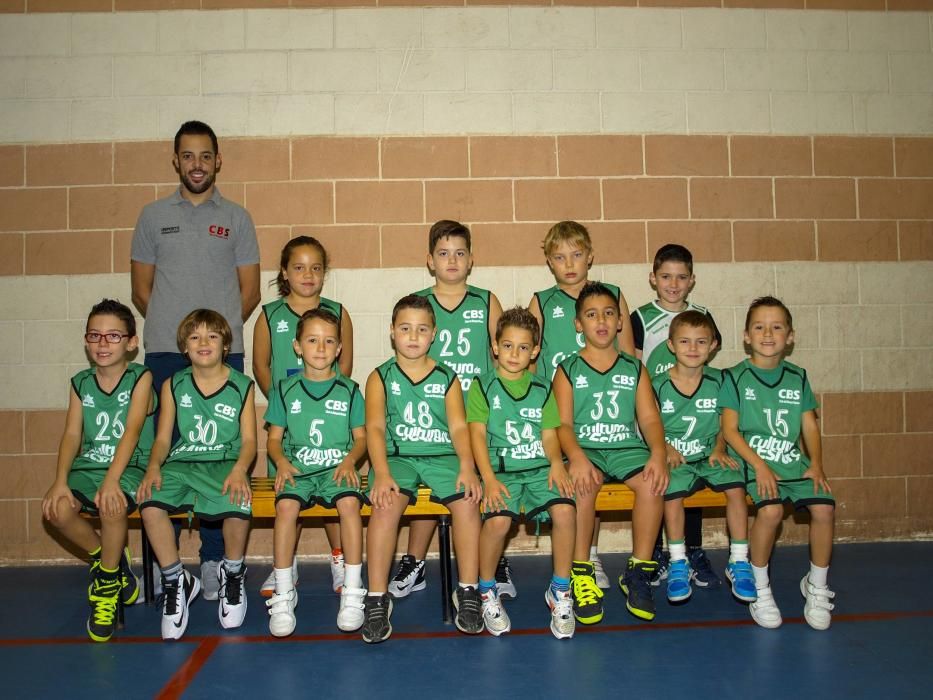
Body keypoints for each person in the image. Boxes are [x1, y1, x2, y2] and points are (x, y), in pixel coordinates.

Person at [131, 120, 260, 599]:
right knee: (165, 451)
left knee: (221, 455)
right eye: (188, 156)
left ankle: (213, 562)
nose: (197, 164)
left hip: (224, 354)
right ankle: (168, 568)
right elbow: (141, 290)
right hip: (166, 350)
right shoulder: (151, 215)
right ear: (176, 161)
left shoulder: (238, 218)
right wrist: (181, 337)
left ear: (218, 161)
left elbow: (248, 292)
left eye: (206, 155)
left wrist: (215, 340)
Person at [391, 221, 510, 600]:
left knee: (481, 488)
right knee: (426, 486)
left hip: (474, 412)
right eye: (443, 253)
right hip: (429, 413)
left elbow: (504, 358)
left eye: (460, 252)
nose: (452, 260)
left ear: (471, 259)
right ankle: (414, 560)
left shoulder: (487, 301)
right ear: (430, 261)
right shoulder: (419, 303)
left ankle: (493, 561)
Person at [361, 295, 483, 643]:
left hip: (442, 455)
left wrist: (466, 465)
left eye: (421, 329)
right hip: (397, 457)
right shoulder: (380, 377)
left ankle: (469, 590)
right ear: (392, 333)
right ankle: (376, 597)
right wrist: (381, 471)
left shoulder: (447, 377)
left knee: (468, 502)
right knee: (384, 507)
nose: (413, 336)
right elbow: (376, 429)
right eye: (405, 328)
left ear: (434, 334)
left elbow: (459, 428)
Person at [137, 310, 256, 641]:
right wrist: (153, 467)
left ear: (225, 344)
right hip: (182, 461)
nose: (204, 343)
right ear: (184, 347)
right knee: (149, 501)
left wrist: (239, 470)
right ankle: (176, 579)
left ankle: (232, 573)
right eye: (195, 337)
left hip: (225, 461)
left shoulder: (242, 385)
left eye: (212, 336)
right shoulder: (173, 384)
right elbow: (162, 439)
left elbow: (249, 442)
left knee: (238, 499)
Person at [553, 283, 668, 625]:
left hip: (625, 448)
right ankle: (582, 572)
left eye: (608, 313)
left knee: (652, 484)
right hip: (586, 449)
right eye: (591, 314)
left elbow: (648, 417)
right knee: (583, 486)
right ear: (578, 324)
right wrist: (576, 457)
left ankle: (638, 571)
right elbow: (563, 424)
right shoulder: (568, 369)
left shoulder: (634, 368)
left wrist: (658, 452)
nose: (600, 320)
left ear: (620, 321)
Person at [41, 299, 156, 642]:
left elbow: (133, 430)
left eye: (113, 336)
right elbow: (72, 434)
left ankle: (106, 587)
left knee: (112, 503)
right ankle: (112, 563)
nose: (103, 343)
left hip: (129, 467)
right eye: (95, 335)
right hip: (88, 467)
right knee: (57, 510)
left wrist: (111, 481)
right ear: (86, 341)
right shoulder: (80, 382)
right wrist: (60, 481)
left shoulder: (141, 377)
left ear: (132, 343)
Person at [529, 221, 635, 591]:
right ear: (549, 262)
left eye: (576, 255)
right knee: (578, 483)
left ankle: (589, 554)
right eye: (559, 257)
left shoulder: (612, 295)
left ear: (590, 256)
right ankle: (578, 562)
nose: (569, 263)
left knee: (594, 477)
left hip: (601, 411)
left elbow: (630, 355)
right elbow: (530, 360)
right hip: (560, 413)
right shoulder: (541, 301)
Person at [720, 297, 836, 630]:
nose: (767, 334)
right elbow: (729, 430)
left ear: (790, 336)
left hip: (791, 460)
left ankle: (816, 585)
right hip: (754, 460)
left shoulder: (798, 376)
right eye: (759, 327)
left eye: (776, 327)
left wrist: (816, 464)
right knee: (770, 511)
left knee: (824, 508)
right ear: (746, 336)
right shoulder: (735, 377)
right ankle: (760, 585)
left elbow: (809, 425)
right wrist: (758, 466)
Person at [253, 236, 354, 597]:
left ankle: (340, 559)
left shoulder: (338, 312)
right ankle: (286, 566)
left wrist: (320, 403)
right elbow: (261, 366)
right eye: (298, 267)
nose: (307, 274)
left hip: (331, 419)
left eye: (315, 268)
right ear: (284, 272)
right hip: (289, 419)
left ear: (324, 273)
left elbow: (345, 368)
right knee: (288, 494)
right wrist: (287, 403)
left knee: (335, 492)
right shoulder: (269, 315)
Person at [469, 307, 576, 639]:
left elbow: (548, 433)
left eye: (523, 347)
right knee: (499, 521)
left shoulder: (543, 388)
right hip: (502, 472)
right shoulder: (482, 386)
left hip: (539, 468)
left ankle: (560, 590)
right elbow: (476, 434)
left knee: (566, 510)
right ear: (495, 347)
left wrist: (558, 463)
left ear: (535, 351)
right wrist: (487, 477)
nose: (515, 354)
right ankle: (486, 589)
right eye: (508, 345)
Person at [264, 309, 366, 637]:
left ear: (339, 349)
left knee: (349, 505)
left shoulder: (350, 389)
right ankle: (283, 592)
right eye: (312, 340)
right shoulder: (283, 388)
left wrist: (350, 460)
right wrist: (280, 461)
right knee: (286, 507)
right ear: (297, 346)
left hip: (337, 468)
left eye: (328, 341)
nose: (320, 348)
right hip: (300, 469)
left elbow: (362, 438)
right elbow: (274, 439)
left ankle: (352, 591)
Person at [631, 243, 724, 589]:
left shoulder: (702, 314)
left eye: (681, 277)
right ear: (653, 279)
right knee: (661, 481)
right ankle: (657, 552)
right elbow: (634, 362)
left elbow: (707, 366)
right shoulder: (641, 317)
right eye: (666, 276)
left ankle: (693, 551)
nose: (673, 283)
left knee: (694, 478)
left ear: (692, 280)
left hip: (693, 416)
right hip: (657, 414)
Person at [653, 311, 756, 605]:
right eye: (685, 341)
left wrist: (720, 447)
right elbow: (647, 422)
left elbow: (728, 420)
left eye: (701, 341)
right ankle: (677, 561)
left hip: (710, 455)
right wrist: (664, 448)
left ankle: (738, 560)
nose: (693, 348)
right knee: (670, 492)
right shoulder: (657, 383)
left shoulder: (721, 380)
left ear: (713, 345)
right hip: (677, 459)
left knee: (737, 486)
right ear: (671, 345)